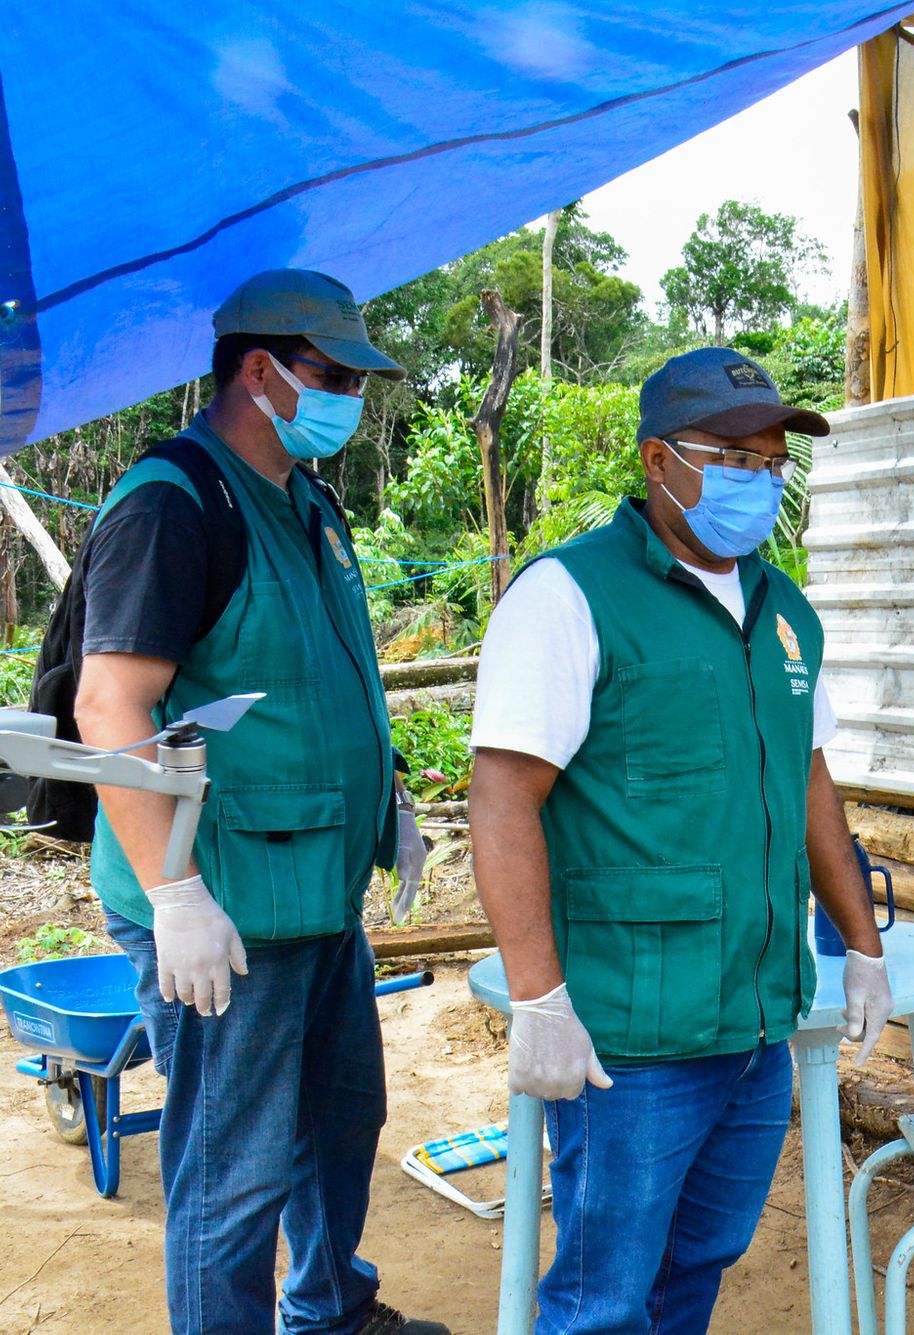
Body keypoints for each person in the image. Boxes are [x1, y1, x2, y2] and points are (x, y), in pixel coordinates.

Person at [468, 347, 893, 1333]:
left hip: (754, 1022)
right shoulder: (569, 595)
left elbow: (807, 779)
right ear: (658, 461)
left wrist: (861, 944)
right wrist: (538, 999)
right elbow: (502, 801)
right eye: (733, 458)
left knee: (697, 1261)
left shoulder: (783, 612)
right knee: (601, 1296)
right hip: (630, 1034)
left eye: (773, 462)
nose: (760, 482)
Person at [74, 269, 440, 1334]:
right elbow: (112, 705)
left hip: (317, 882)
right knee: (233, 1171)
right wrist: (175, 894)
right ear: (257, 369)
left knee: (338, 1121)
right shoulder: (171, 500)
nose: (351, 400)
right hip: (224, 902)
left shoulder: (307, 500)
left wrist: (395, 801)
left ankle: (329, 1309)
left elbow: (335, 677)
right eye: (332, 376)